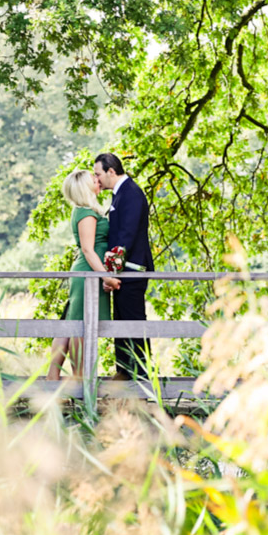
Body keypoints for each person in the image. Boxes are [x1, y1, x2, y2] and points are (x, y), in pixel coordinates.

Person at [47, 169, 121, 380]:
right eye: (93, 179)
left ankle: (52, 380)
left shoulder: (87, 210)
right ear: (84, 188)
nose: (98, 181)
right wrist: (106, 276)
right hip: (89, 274)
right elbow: (88, 250)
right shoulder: (86, 213)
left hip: (89, 272)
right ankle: (79, 382)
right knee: (79, 327)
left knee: (70, 324)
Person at [93, 152, 154, 380]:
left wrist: (111, 273)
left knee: (133, 323)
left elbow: (125, 238)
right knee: (121, 323)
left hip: (131, 271)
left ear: (111, 171)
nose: (97, 180)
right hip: (123, 272)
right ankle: (125, 376)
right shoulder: (121, 195)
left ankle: (139, 380)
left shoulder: (130, 193)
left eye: (99, 174)